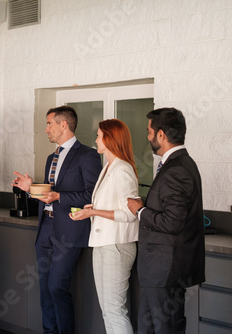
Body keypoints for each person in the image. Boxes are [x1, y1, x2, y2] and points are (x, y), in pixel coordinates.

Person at [13, 105, 101, 334]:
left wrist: (60, 196)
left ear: (64, 125)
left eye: (49, 123)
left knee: (56, 288)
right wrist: (29, 188)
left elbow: (93, 195)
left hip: (70, 231)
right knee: (44, 289)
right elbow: (47, 195)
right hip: (46, 229)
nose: (46, 129)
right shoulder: (51, 157)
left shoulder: (87, 155)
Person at [127, 107, 205, 334]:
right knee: (149, 327)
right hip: (162, 270)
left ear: (161, 135)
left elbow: (172, 222)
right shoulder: (181, 164)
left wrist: (140, 210)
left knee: (165, 328)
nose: (148, 136)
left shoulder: (176, 169)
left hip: (165, 269)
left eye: (149, 131)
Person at [70, 119, 138, 334]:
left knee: (114, 310)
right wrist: (93, 208)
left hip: (116, 246)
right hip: (105, 244)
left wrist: (94, 212)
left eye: (99, 135)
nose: (96, 139)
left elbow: (129, 213)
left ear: (110, 138)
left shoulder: (122, 169)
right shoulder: (109, 167)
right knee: (108, 311)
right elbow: (114, 204)